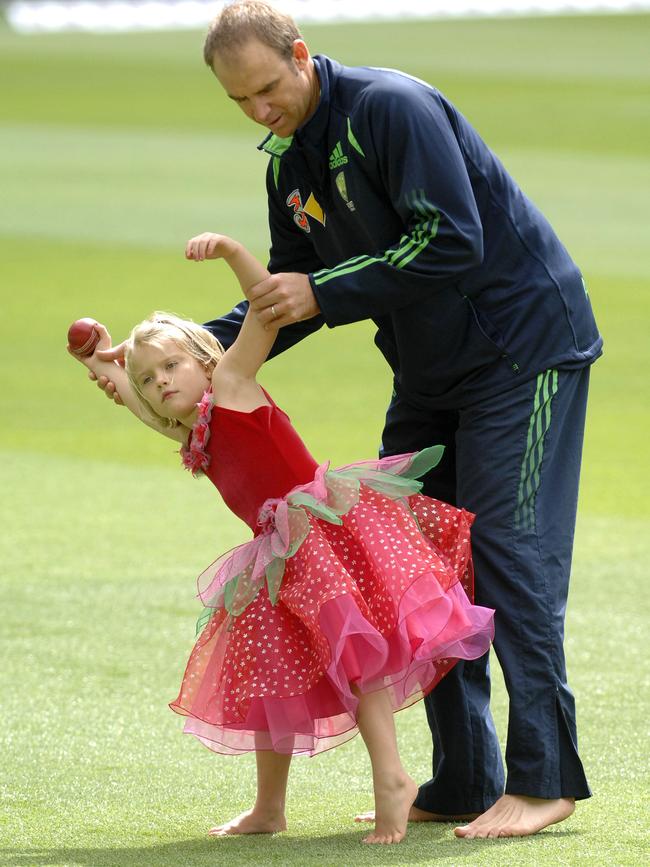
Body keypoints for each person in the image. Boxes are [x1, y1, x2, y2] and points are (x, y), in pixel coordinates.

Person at [94, 0, 601, 839]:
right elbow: (280, 297)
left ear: (300, 54)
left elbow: (452, 239)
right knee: (418, 568)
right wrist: (171, 360)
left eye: (266, 89)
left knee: (508, 551)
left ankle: (545, 778)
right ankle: (468, 776)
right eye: (239, 104)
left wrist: (325, 290)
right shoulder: (287, 165)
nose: (259, 112)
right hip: (432, 373)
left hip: (524, 350)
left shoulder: (389, 108)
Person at [73, 231, 495, 845]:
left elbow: (266, 309)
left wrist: (231, 252)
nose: (162, 382)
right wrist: (103, 367)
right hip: (277, 558)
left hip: (324, 533)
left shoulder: (236, 385)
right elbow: (142, 408)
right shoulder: (196, 431)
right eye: (149, 378)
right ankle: (268, 808)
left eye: (172, 365)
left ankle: (392, 781)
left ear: (204, 359)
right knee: (270, 672)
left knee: (361, 658)